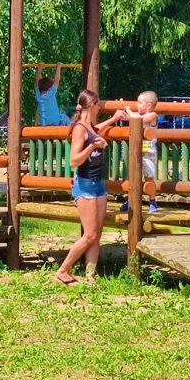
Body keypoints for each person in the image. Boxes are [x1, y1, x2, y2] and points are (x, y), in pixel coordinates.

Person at [54, 89, 118, 285]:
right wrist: (92, 147)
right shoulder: (80, 129)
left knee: (96, 234)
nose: (100, 107)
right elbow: (73, 161)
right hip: (85, 185)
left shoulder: (89, 126)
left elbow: (96, 130)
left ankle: (90, 276)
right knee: (89, 235)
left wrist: (114, 119)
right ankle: (63, 270)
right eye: (98, 104)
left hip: (99, 185)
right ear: (92, 105)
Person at [117, 91, 160, 213]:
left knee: (149, 178)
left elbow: (138, 120)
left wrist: (129, 111)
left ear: (149, 105)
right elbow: (131, 117)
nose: (137, 105)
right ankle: (131, 200)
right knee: (134, 177)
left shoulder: (152, 115)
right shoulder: (136, 114)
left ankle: (152, 201)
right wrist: (124, 115)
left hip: (149, 153)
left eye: (140, 103)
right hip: (136, 151)